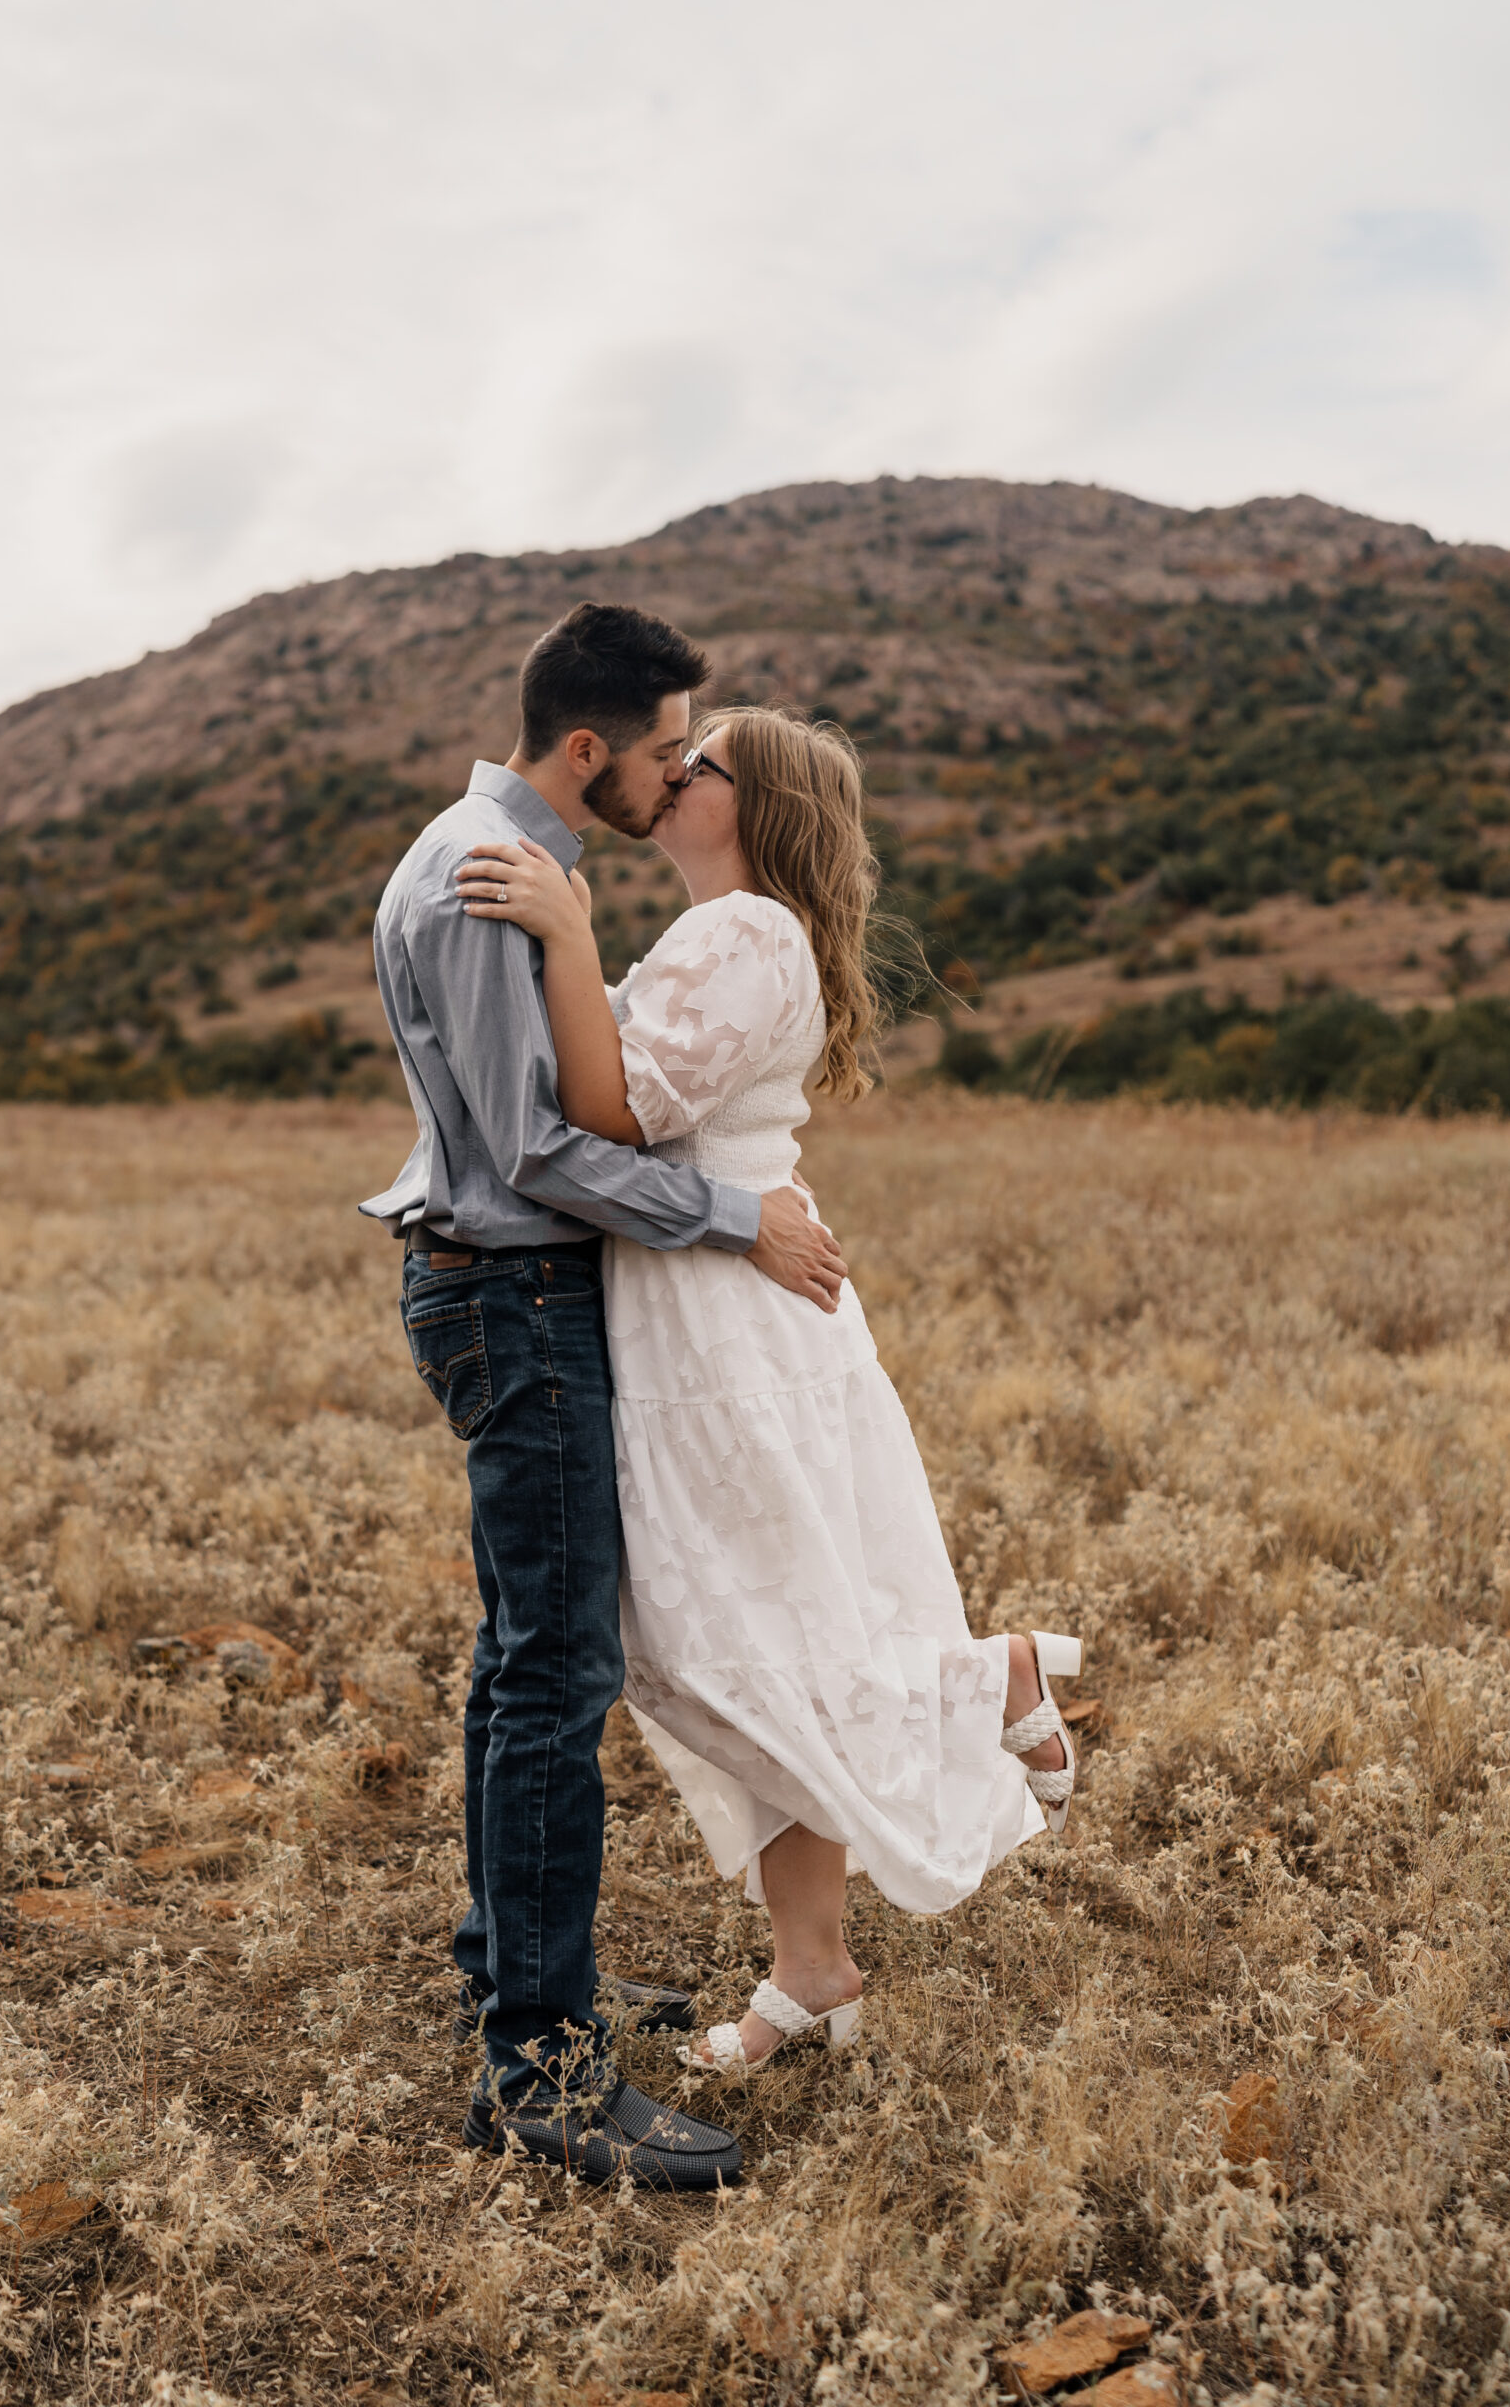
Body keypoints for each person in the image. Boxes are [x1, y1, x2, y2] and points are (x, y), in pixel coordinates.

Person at [454, 705, 1082, 2078]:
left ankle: (991, 1680)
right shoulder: (726, 931)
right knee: (755, 1623)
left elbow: (620, 1110)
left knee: (728, 1633)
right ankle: (814, 1969)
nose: (675, 772)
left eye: (705, 762)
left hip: (725, 1321)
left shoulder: (741, 931)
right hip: (716, 1296)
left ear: (757, 806)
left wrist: (563, 938)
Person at [361, 603, 849, 2186]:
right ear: (592, 750)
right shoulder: (492, 881)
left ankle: (516, 1980)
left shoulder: (489, 857)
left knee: (524, 1665)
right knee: (555, 1681)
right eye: (660, 750)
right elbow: (538, 1149)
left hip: (500, 1289)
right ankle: (544, 2068)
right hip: (510, 1292)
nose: (671, 774)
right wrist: (738, 1218)